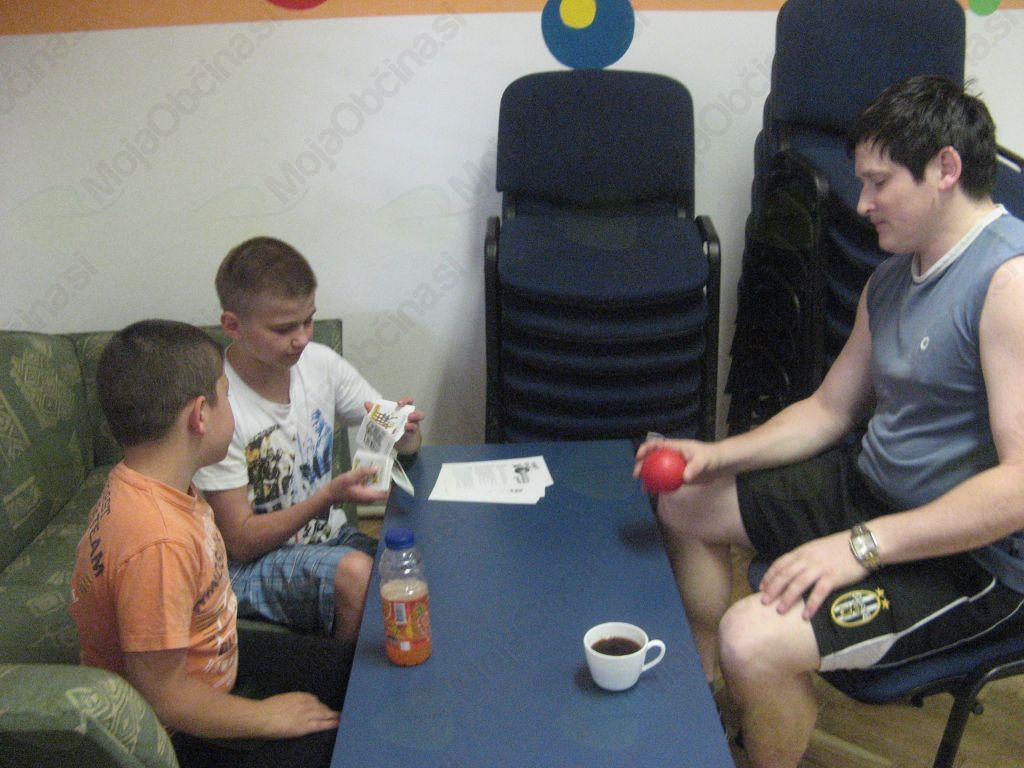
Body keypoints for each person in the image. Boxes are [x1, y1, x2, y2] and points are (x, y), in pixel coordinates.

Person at [635, 75, 1024, 768]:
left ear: (945, 168)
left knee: (753, 637)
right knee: (685, 499)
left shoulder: (1009, 286)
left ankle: (764, 717)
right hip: (874, 495)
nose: (862, 203)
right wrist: (719, 455)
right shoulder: (893, 277)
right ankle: (703, 699)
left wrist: (861, 546)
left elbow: (1020, 486)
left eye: (879, 183)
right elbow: (828, 410)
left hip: (975, 561)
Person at [70, 320, 350, 767]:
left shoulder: (151, 481)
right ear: (200, 415)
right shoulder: (158, 541)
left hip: (210, 665)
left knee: (356, 673)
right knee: (346, 746)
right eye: (227, 395)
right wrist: (265, 717)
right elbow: (163, 698)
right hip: (178, 732)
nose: (232, 407)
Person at [193, 236, 424, 644]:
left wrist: (404, 431)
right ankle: (339, 680)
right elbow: (241, 542)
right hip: (244, 566)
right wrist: (327, 497)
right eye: (284, 328)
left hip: (326, 538)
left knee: (414, 561)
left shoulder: (320, 364)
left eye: (308, 321)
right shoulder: (218, 406)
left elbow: (402, 442)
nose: (301, 338)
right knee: (355, 574)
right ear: (232, 325)